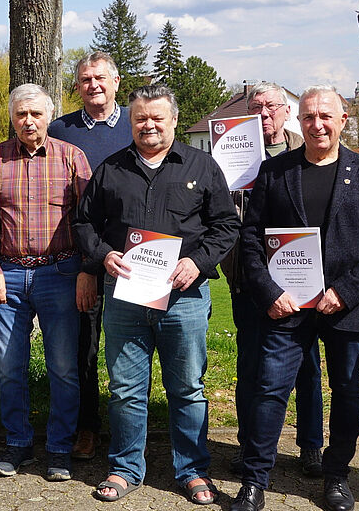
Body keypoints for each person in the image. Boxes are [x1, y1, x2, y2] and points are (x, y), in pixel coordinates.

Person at [232, 86, 359, 511]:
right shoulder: (275, 172)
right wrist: (270, 292)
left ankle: (336, 475)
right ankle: (255, 480)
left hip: (346, 306)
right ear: (299, 122)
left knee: (348, 391)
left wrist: (345, 291)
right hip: (288, 305)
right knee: (270, 389)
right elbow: (251, 239)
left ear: (344, 119)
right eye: (309, 117)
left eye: (325, 115)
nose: (317, 124)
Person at [75, 84, 240, 503]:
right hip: (126, 296)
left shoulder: (202, 166)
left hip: (183, 297)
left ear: (173, 120)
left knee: (186, 386)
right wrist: (103, 255)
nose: (148, 125)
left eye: (156, 118)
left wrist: (198, 262)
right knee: (126, 387)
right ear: (130, 122)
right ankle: (126, 467)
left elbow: (226, 226)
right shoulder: (111, 169)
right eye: (140, 118)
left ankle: (191, 469)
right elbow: (84, 224)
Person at [0, 84, 94, 481]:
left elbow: (89, 220)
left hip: (60, 273)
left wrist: (86, 272)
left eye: (36, 114)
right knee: (10, 366)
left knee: (63, 367)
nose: (28, 121)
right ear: (13, 118)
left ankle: (59, 448)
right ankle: (18, 444)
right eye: (21, 114)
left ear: (49, 116)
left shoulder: (71, 157)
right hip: (8, 273)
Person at [220, 82, 324, 477]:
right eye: (256, 108)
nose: (264, 114)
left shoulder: (308, 146)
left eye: (271, 107)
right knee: (249, 365)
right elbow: (222, 215)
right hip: (249, 276)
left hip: (301, 278)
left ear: (286, 110)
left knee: (307, 367)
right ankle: (249, 444)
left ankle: (311, 445)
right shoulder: (230, 153)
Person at [47, 52, 133, 460]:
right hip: (81, 259)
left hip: (135, 261)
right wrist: (87, 266)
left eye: (101, 77)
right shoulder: (59, 130)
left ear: (117, 81)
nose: (93, 84)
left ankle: (129, 429)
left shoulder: (139, 123)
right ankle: (87, 427)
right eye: (85, 79)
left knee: (130, 348)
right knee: (83, 349)